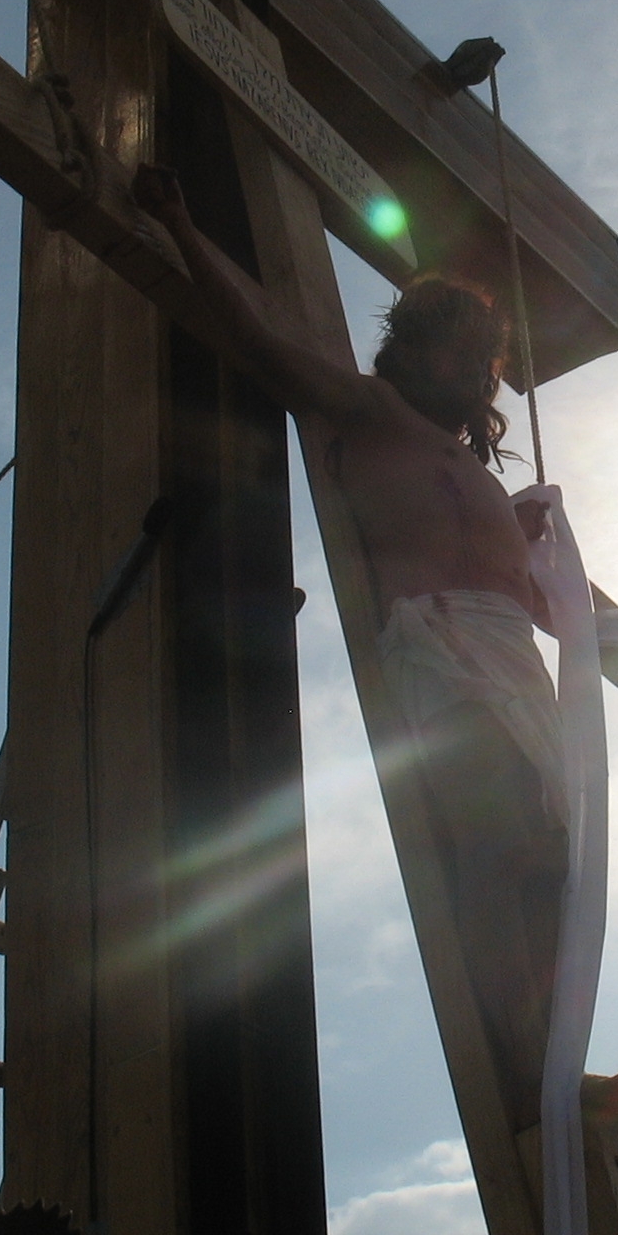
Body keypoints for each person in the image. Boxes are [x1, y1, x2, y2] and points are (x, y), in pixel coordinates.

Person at [131, 164, 564, 1136]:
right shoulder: (373, 416)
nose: (477, 376)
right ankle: (532, 1075)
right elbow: (257, 338)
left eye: (487, 363)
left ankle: (554, 1065)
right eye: (461, 356)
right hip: (438, 643)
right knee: (496, 845)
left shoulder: (491, 485)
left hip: (515, 665)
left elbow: (558, 610)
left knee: (548, 864)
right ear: (416, 356)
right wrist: (179, 223)